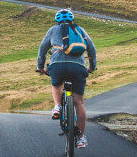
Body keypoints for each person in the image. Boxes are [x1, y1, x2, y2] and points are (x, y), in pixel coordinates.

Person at [36, 9, 97, 149]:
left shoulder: (53, 30)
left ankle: (57, 106)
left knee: (56, 84)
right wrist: (92, 67)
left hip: (57, 65)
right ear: (72, 20)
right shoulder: (80, 30)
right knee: (79, 102)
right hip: (78, 67)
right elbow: (92, 50)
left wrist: (40, 67)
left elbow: (42, 49)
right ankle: (81, 138)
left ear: (57, 20)